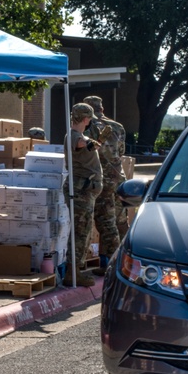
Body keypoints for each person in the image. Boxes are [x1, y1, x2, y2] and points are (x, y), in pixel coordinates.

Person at [83, 95, 127, 273]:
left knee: (105, 222)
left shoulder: (89, 127)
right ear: (102, 108)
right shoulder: (117, 126)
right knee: (120, 221)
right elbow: (121, 151)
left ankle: (112, 265)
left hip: (101, 179)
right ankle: (127, 259)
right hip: (119, 178)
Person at [65, 102, 102, 287]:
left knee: (84, 230)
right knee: (81, 231)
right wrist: (89, 143)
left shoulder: (79, 135)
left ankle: (76, 269)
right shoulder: (73, 136)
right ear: (86, 119)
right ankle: (73, 272)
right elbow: (79, 145)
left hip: (85, 190)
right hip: (80, 191)